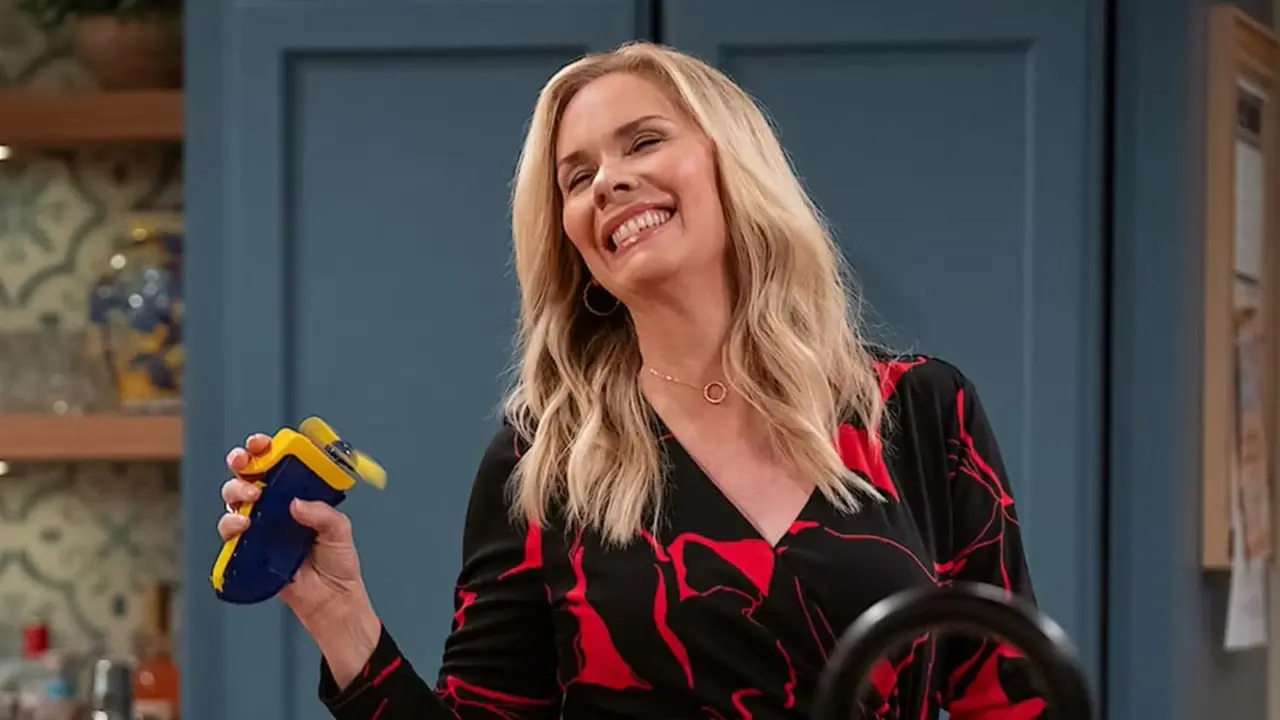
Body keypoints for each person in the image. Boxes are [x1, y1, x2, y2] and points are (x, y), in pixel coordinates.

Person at [218, 41, 1046, 719]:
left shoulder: (919, 410)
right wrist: (341, 619)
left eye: (644, 141)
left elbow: (1016, 700)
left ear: (734, 165)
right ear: (574, 242)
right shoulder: (542, 461)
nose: (609, 181)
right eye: (577, 177)